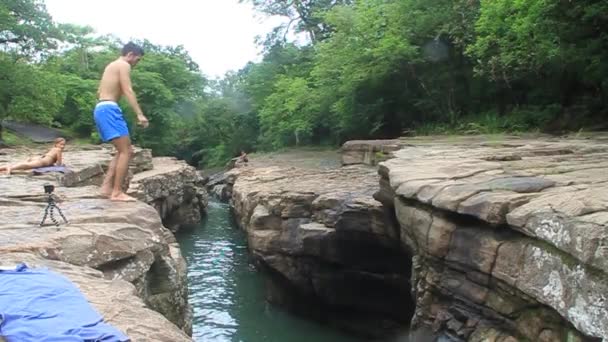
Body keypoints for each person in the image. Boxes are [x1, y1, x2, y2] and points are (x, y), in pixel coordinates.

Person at [94, 42, 149, 202]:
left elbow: (100, 91)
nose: (136, 63)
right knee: (127, 151)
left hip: (101, 108)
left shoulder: (111, 66)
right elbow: (128, 89)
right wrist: (139, 114)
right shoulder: (123, 65)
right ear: (130, 54)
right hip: (109, 109)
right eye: (137, 60)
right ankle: (117, 192)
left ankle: (106, 187)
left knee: (122, 150)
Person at [0, 138, 66, 175]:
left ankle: (6, 167)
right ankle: (10, 168)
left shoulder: (53, 149)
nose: (62, 146)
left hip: (40, 160)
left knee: (26, 166)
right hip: (42, 162)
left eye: (64, 145)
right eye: (61, 144)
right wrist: (61, 165)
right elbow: (59, 163)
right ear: (56, 144)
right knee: (26, 165)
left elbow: (49, 158)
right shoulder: (58, 150)